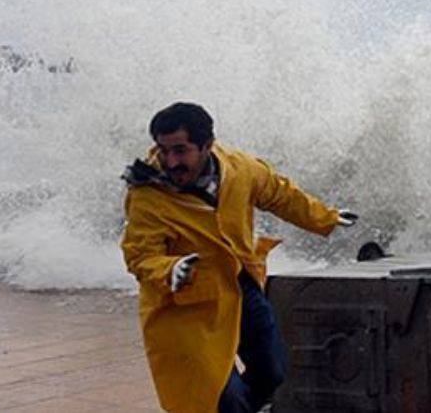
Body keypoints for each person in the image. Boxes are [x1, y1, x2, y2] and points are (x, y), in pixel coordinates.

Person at [120, 102, 357, 413]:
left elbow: (280, 194)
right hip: (185, 305)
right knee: (222, 397)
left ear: (207, 145)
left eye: (180, 150)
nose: (171, 161)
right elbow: (140, 255)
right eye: (163, 151)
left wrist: (325, 217)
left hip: (239, 284)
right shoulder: (147, 194)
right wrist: (170, 269)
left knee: (272, 371)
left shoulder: (239, 170)